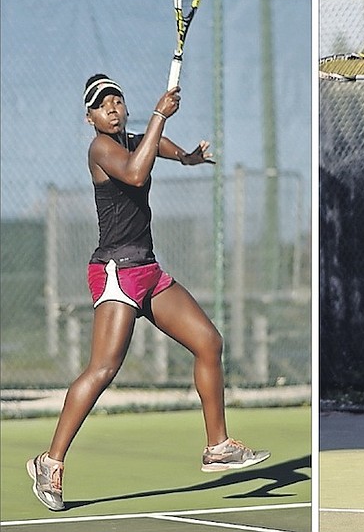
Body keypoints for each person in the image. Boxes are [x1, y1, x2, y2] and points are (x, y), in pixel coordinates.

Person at [27, 75, 270, 511]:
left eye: (117, 100)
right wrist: (159, 113)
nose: (114, 108)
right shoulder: (101, 149)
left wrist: (188, 158)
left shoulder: (134, 137)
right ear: (91, 119)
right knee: (102, 370)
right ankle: (50, 461)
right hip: (117, 270)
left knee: (208, 342)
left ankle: (217, 446)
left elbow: (157, 148)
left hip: (148, 270)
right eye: (103, 105)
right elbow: (137, 173)